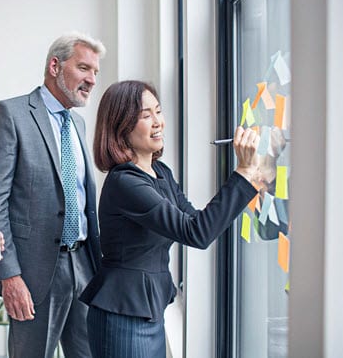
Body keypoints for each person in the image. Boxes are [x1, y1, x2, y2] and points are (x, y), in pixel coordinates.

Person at [80, 80, 260, 358]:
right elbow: (196, 233)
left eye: (159, 111)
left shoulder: (160, 172)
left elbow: (198, 222)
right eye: (145, 115)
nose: (158, 123)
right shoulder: (125, 183)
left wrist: (251, 178)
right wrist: (243, 174)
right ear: (121, 127)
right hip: (123, 315)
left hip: (147, 312)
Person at [0, 32, 106, 358]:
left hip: (83, 264)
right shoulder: (11, 114)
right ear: (54, 66)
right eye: (83, 68)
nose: (91, 80)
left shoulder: (77, 123)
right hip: (34, 271)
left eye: (95, 72)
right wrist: (9, 275)